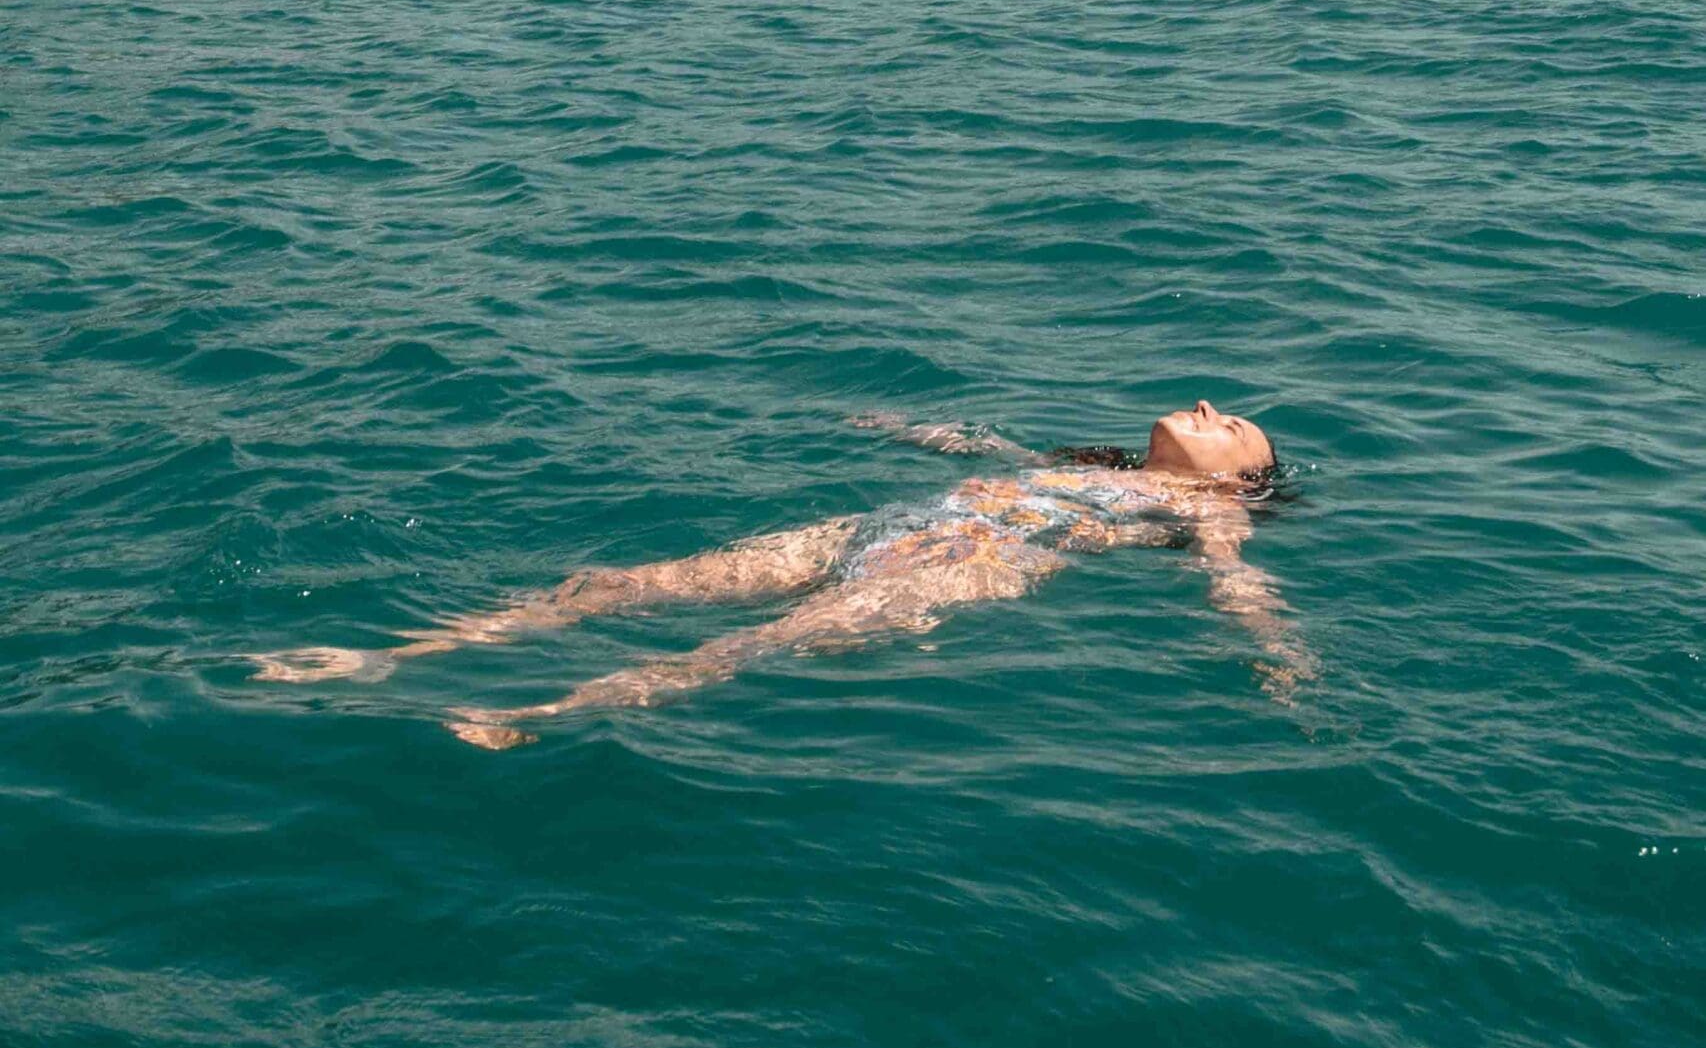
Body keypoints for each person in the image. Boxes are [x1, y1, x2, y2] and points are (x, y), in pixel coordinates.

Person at [253, 399, 1310, 748]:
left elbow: (1239, 588)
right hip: (870, 526)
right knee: (612, 585)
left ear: (1240, 476)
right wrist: (907, 428)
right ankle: (390, 654)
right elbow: (980, 448)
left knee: (740, 646)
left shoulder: (1204, 515)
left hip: (963, 564)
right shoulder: (1094, 464)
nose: (1209, 408)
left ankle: (537, 707)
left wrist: (1275, 657)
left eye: (1232, 426)